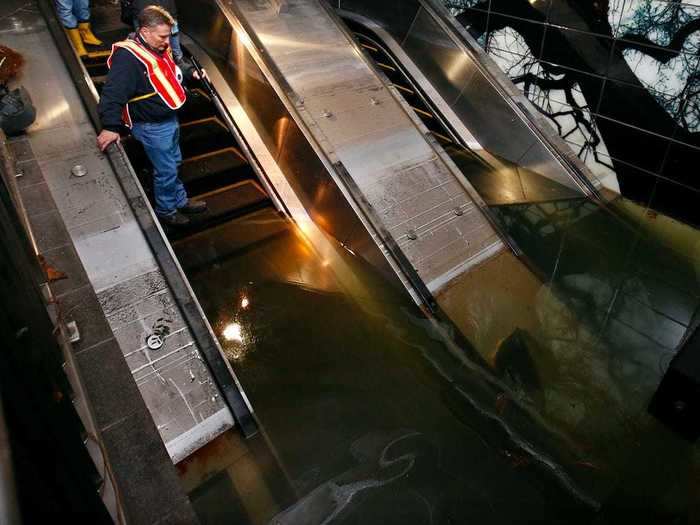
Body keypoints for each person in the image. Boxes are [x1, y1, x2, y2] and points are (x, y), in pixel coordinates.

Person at [96, 5, 207, 227]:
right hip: (151, 126)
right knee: (165, 170)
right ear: (145, 31)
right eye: (163, 36)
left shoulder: (156, 47)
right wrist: (111, 126)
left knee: (174, 163)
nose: (168, 41)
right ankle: (167, 210)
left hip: (168, 120)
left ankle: (180, 200)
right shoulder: (128, 57)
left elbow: (172, 67)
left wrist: (190, 72)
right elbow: (113, 93)